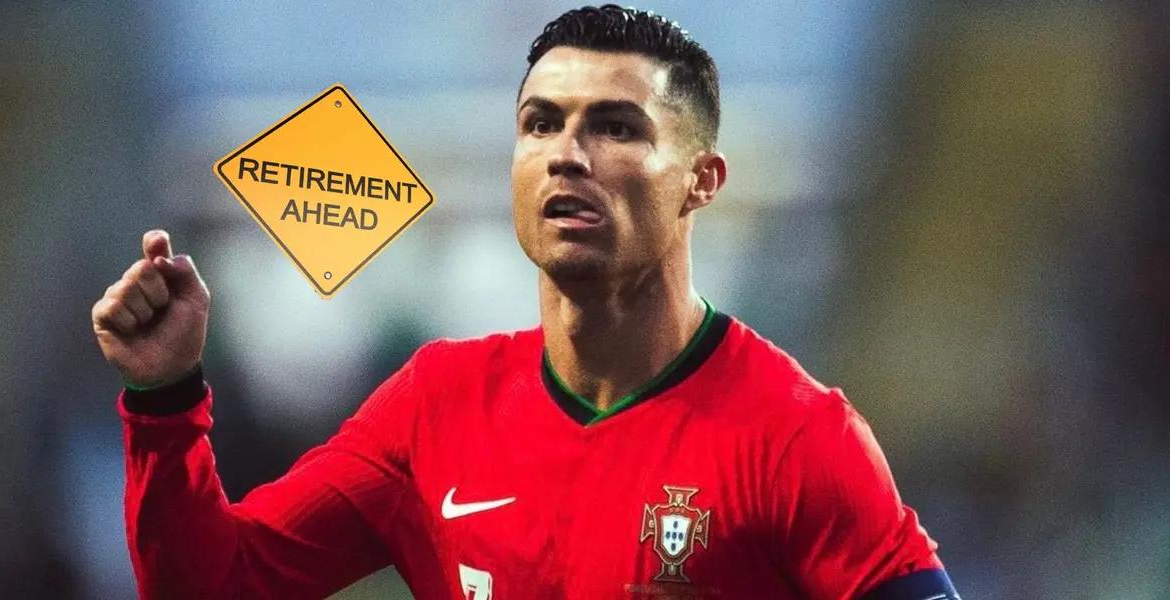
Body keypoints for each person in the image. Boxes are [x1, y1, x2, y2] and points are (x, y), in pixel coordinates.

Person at [92, 5, 959, 599]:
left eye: (615, 127)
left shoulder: (797, 436)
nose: (566, 154)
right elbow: (218, 584)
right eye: (540, 123)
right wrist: (165, 399)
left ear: (703, 181)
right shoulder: (434, 408)